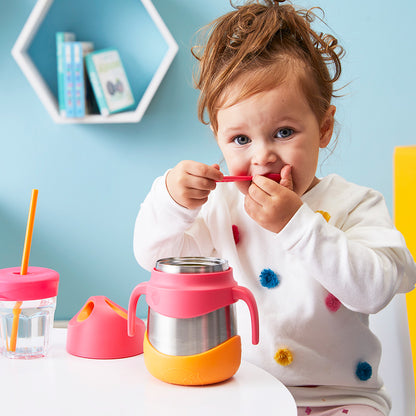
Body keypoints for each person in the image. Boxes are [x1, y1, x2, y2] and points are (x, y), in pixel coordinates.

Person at [133, 1, 416, 415]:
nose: (263, 156)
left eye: (283, 132)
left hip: (341, 400)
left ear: (323, 127)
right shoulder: (219, 208)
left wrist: (297, 225)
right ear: (218, 138)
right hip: (240, 394)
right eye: (241, 140)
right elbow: (152, 258)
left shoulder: (354, 205)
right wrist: (171, 201)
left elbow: (373, 290)